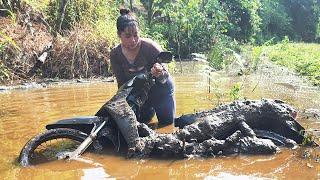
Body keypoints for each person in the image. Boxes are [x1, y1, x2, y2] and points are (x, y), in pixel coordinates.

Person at [110, 8, 176, 126]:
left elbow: (165, 76)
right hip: (139, 95)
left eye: (136, 35)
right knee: (140, 125)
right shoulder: (115, 54)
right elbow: (121, 85)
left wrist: (160, 72)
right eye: (128, 36)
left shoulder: (150, 47)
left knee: (167, 125)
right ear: (119, 35)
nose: (133, 40)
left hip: (160, 90)